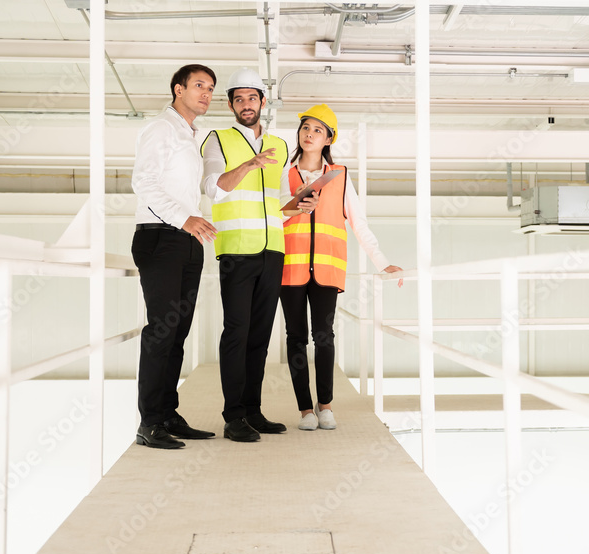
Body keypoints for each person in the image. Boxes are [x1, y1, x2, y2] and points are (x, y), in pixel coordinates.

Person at [280, 104, 402, 431]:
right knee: (295, 338)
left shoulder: (341, 176)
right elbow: (271, 215)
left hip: (326, 269)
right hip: (289, 268)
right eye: (306, 128)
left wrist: (383, 262)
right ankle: (305, 410)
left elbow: (358, 223)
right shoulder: (284, 171)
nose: (309, 134)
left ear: (328, 138)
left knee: (324, 337)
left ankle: (326, 406)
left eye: (318, 130)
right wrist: (294, 208)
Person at [131, 64, 218, 449]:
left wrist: (190, 225)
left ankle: (167, 413)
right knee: (162, 332)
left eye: (211, 88)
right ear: (178, 88)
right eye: (199, 85)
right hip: (160, 237)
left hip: (185, 239)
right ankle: (149, 422)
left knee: (178, 334)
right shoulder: (161, 128)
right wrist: (185, 219)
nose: (206, 93)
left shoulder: (190, 135)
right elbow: (143, 182)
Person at [201, 68, 291, 442]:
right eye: (238, 99)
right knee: (236, 332)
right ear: (231, 105)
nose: (245, 105)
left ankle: (253, 411)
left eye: (251, 98)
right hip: (237, 250)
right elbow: (212, 188)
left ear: (262, 102)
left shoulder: (281, 146)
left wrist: (298, 207)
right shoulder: (218, 139)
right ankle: (233, 415)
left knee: (260, 336)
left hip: (273, 251)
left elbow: (279, 199)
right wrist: (249, 164)